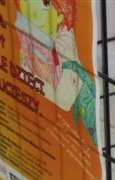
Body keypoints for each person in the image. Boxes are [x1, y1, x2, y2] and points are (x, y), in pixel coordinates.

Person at [15, 0, 97, 146]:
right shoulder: (31, 40)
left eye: (45, 3)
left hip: (84, 119)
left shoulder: (65, 43)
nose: (31, 10)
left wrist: (30, 78)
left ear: (60, 14)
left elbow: (64, 100)